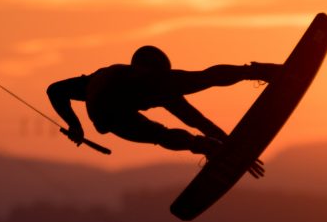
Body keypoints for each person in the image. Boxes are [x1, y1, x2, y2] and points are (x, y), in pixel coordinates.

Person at [47, 45, 281, 178]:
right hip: (108, 110)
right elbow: (198, 118)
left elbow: (55, 90)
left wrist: (74, 124)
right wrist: (233, 149)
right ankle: (259, 72)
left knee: (161, 135)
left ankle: (206, 146)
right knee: (203, 78)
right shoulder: (158, 84)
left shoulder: (99, 80)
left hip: (106, 116)